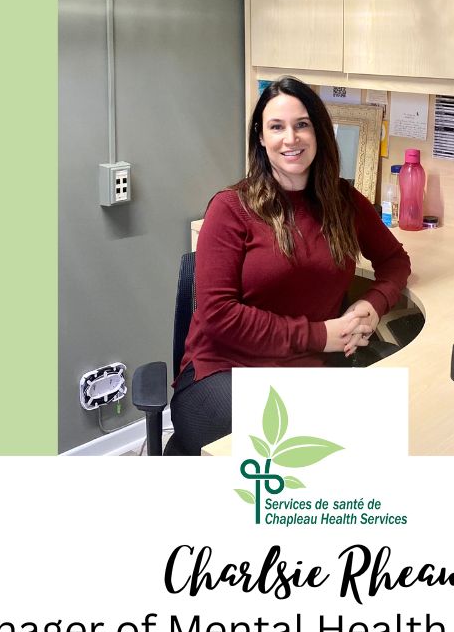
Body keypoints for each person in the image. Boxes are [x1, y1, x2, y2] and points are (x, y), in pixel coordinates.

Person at [167, 76, 411, 455]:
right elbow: (217, 315)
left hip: (309, 371)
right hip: (225, 373)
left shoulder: (343, 202)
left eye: (301, 125)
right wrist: (320, 335)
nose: (290, 139)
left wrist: (373, 304)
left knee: (390, 428)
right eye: (276, 127)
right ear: (261, 138)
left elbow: (395, 260)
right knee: (289, 450)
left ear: (318, 132)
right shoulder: (231, 209)